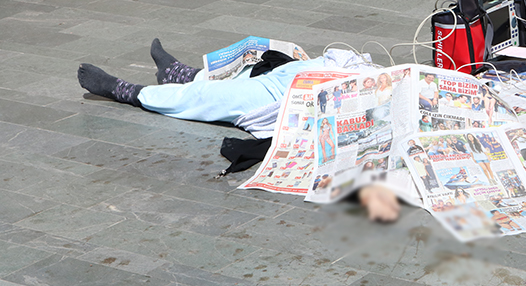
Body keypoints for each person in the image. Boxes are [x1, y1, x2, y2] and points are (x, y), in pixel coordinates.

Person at [76, 38, 400, 222]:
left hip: (291, 99)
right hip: (315, 71)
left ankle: (128, 91)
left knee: (210, 99)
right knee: (253, 63)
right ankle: (182, 73)